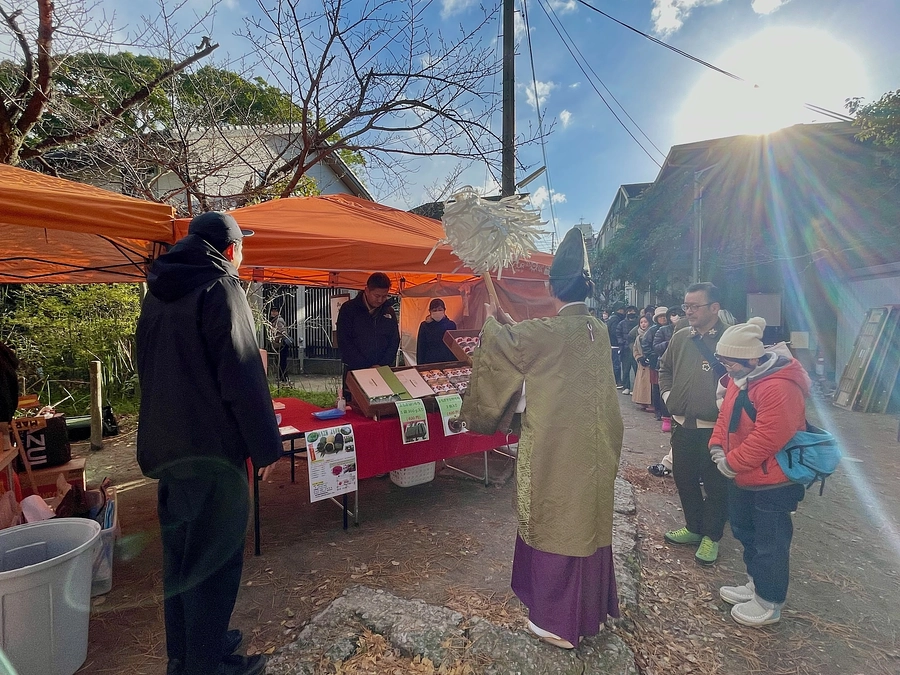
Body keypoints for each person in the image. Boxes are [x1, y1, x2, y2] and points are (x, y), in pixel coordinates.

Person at [460, 228, 623, 650]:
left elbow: (508, 351)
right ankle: (590, 613)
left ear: (551, 287)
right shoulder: (597, 330)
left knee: (556, 518)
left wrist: (495, 329)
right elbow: (548, 355)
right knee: (586, 518)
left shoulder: (545, 333)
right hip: (596, 446)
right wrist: (512, 330)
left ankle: (556, 621)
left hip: (558, 447)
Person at [136, 211, 282, 675]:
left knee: (180, 557)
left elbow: (147, 369)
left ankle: (186, 650)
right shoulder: (220, 287)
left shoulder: (158, 293)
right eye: (243, 248)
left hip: (167, 450)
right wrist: (266, 449)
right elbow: (242, 374)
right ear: (231, 249)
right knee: (215, 562)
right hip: (213, 455)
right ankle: (205, 665)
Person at [709, 317, 810, 627]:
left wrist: (731, 462)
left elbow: (769, 437)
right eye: (722, 360)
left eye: (731, 361)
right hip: (743, 475)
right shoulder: (741, 380)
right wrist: (716, 445)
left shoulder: (779, 386)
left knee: (771, 541)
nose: (726, 366)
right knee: (745, 530)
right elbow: (725, 418)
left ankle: (770, 601)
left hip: (773, 480)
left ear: (751, 358)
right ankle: (756, 584)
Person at [658, 282, 730, 566]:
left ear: (714, 308)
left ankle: (712, 536)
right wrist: (668, 396)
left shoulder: (729, 340)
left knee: (715, 483)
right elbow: (665, 368)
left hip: (715, 427)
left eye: (694, 306)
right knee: (684, 478)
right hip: (681, 423)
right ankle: (694, 527)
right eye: (686, 306)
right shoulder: (681, 336)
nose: (688, 311)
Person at [336, 272, 400, 400]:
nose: (380, 300)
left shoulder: (389, 311)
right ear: (366, 290)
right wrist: (366, 366)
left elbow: (394, 340)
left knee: (382, 405)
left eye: (384, 296)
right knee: (356, 406)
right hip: (356, 370)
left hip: (382, 371)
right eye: (377, 295)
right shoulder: (349, 309)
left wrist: (382, 364)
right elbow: (345, 341)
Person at [416, 298, 458, 365]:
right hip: (429, 362)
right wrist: (420, 365)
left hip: (448, 362)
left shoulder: (451, 325)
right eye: (434, 310)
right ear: (430, 311)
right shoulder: (424, 326)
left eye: (440, 310)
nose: (437, 312)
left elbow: (454, 347)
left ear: (444, 310)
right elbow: (421, 347)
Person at [631, 316, 653, 410]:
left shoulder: (653, 333)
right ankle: (642, 401)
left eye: (645, 322)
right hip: (641, 364)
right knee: (642, 383)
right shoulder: (638, 337)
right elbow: (635, 349)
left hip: (650, 363)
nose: (643, 324)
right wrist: (639, 358)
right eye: (641, 322)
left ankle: (651, 403)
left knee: (650, 384)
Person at [616, 305, 639, 395]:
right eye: (629, 311)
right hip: (625, 349)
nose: (631, 313)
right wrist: (622, 343)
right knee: (626, 369)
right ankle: (626, 387)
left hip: (636, 349)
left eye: (633, 311)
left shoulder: (639, 322)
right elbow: (618, 334)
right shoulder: (621, 323)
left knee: (637, 369)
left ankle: (636, 388)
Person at [268, 307, 291, 382]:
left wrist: (276, 339)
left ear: (278, 312)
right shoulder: (275, 320)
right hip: (280, 344)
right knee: (281, 362)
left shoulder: (278, 321)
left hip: (281, 345)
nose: (273, 313)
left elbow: (282, 333)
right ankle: (282, 377)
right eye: (272, 311)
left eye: (275, 311)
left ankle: (283, 378)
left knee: (281, 362)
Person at [606, 302, 626, 388]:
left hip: (612, 343)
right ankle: (617, 381)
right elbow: (615, 332)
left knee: (614, 363)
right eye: (622, 309)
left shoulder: (612, 318)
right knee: (616, 363)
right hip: (615, 344)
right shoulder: (616, 319)